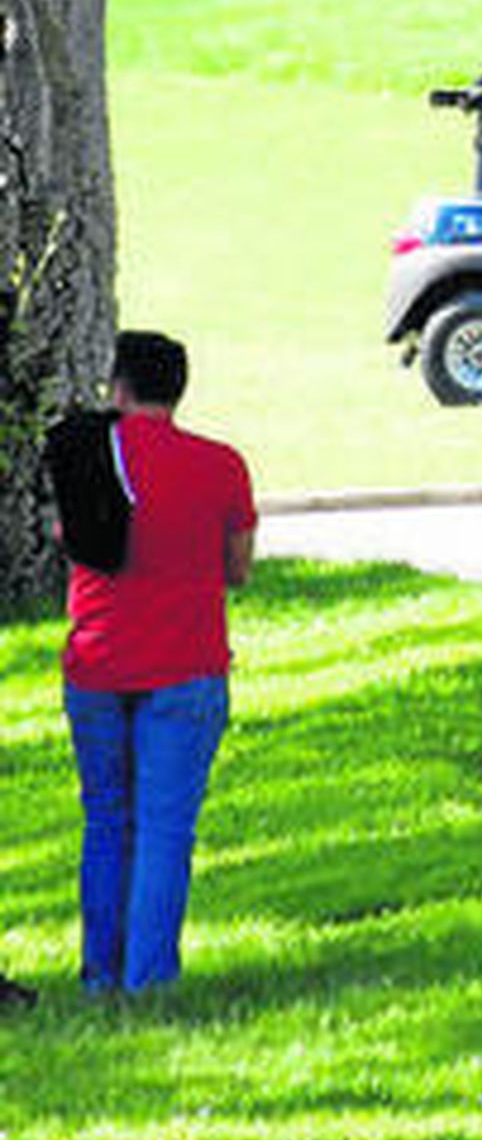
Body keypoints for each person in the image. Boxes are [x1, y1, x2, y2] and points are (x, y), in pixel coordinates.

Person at [58, 332, 256, 996]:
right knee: (166, 827)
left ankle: (99, 976)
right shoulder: (221, 464)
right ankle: (150, 981)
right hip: (186, 665)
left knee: (107, 818)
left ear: (118, 386)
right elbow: (238, 569)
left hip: (96, 663)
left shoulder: (90, 457)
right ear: (178, 388)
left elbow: (74, 541)